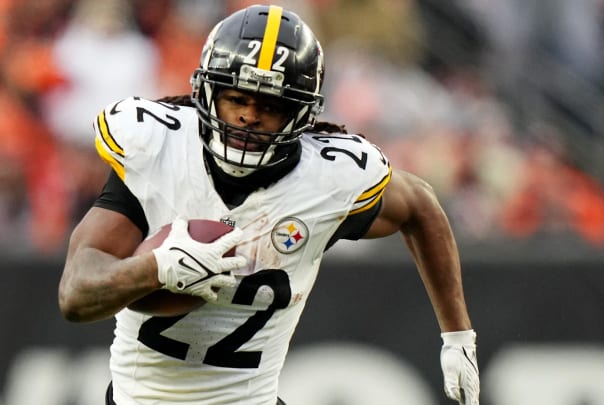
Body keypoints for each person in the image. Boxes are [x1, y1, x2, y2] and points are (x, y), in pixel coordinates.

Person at [57, 4, 479, 404]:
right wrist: (155, 268)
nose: (248, 116)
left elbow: (421, 207)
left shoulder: (327, 180)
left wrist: (458, 336)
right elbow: (75, 295)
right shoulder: (158, 150)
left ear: (300, 114)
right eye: (237, 99)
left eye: (270, 106)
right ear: (207, 92)